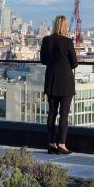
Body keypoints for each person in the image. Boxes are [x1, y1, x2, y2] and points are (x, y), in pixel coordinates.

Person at [40, 15, 78, 155]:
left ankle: (51, 144)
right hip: (66, 82)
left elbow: (43, 60)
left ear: (54, 25)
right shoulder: (68, 41)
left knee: (51, 114)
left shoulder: (46, 40)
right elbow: (74, 63)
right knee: (64, 115)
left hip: (51, 80)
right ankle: (62, 144)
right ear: (65, 26)